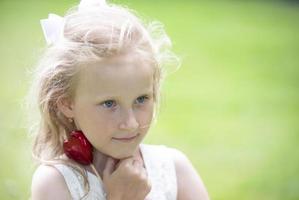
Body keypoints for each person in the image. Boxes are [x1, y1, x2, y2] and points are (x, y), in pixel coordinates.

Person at [28, 0, 209, 199]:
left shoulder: (174, 170)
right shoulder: (55, 183)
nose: (131, 124)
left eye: (141, 99)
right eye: (109, 103)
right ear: (66, 103)